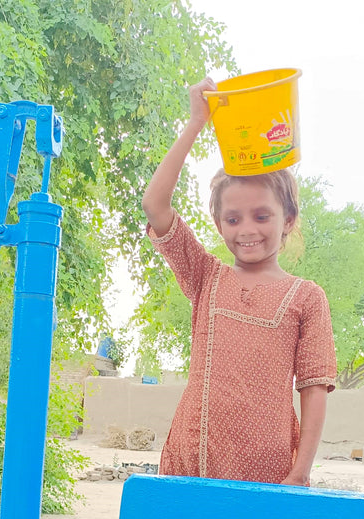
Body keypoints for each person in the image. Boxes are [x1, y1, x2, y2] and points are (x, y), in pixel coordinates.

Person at [142, 78, 336, 486]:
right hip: (192, 461)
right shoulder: (205, 276)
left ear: (290, 219)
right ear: (218, 223)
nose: (247, 229)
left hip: (270, 472)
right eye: (233, 219)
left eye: (262, 216)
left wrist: (300, 472)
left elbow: (314, 389)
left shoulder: (307, 297)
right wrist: (197, 123)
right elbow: (155, 205)